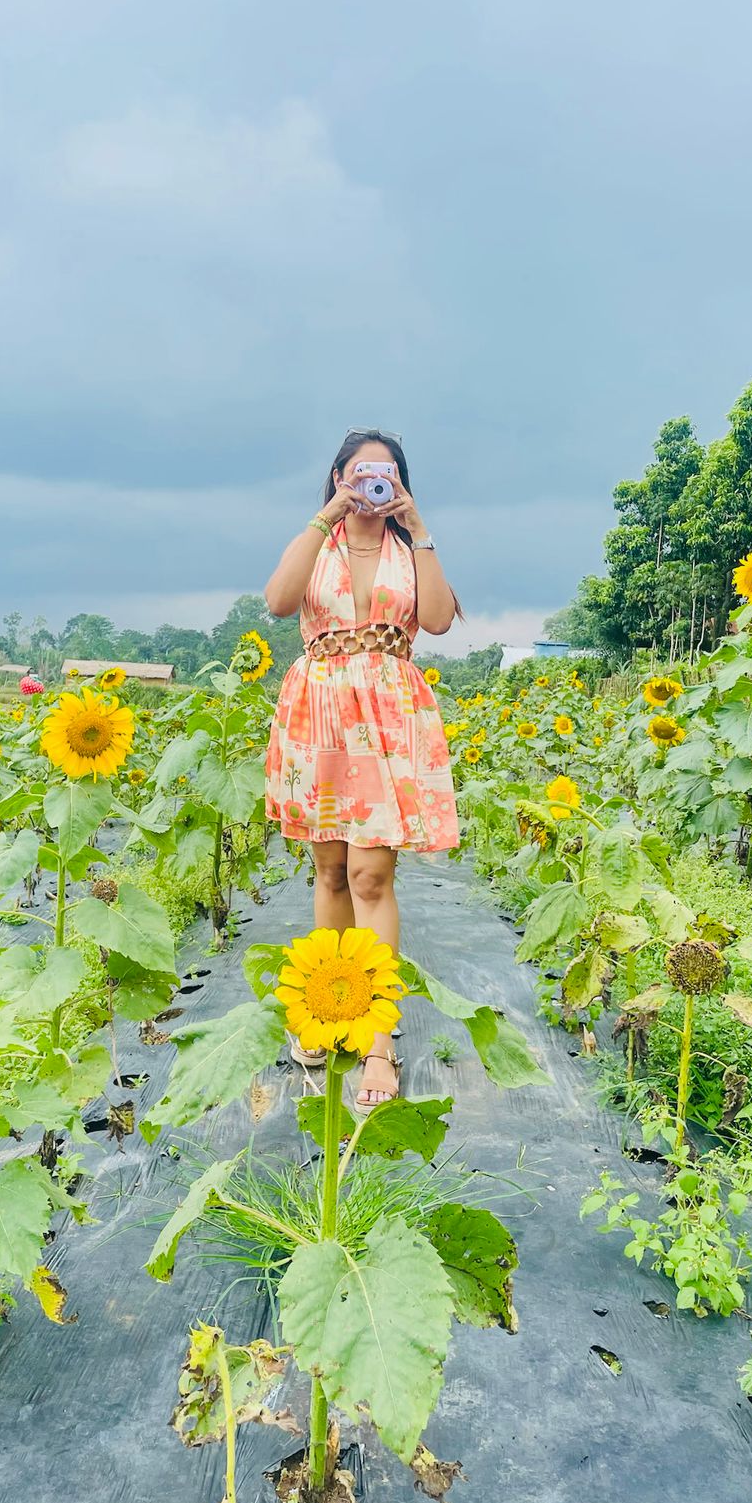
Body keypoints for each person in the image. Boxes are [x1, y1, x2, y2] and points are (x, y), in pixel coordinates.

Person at [263, 429, 461, 1110]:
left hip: (385, 715)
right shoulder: (317, 544)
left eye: (385, 475)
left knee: (370, 874)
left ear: (400, 482)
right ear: (340, 477)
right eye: (359, 474)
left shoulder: (412, 551)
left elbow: (436, 620)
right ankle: (325, 1013)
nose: (371, 486)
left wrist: (418, 524)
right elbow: (279, 602)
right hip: (318, 707)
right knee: (328, 871)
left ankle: (378, 1041)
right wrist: (328, 516)